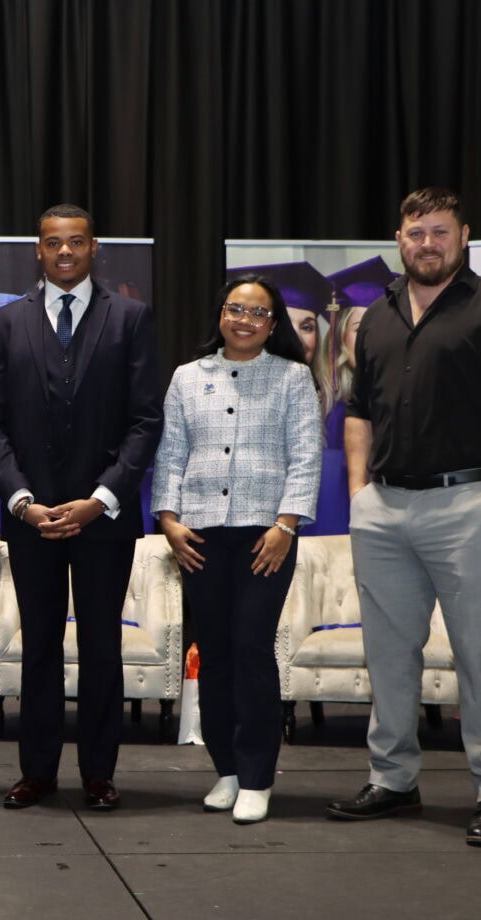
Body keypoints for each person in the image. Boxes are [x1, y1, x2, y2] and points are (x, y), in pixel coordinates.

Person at [327, 188, 481, 847]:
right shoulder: (375, 317)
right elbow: (359, 411)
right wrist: (360, 496)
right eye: (415, 232)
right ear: (398, 240)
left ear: (463, 237)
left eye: (440, 232)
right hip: (384, 509)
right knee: (389, 657)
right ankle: (394, 781)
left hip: (469, 505)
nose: (427, 243)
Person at [0, 203, 162, 812]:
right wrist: (24, 502)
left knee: (103, 646)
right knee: (40, 650)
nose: (63, 253)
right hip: (32, 520)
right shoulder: (7, 323)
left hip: (103, 521)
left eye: (75, 243)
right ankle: (36, 772)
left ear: (93, 248)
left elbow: (144, 421)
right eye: (53, 243)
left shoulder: (130, 317)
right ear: (38, 249)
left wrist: (100, 500)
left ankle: (99, 773)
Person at [151, 276, 321, 824]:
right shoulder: (186, 377)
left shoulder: (293, 378)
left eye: (258, 312)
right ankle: (225, 770)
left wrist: (286, 525)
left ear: (273, 325)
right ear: (220, 314)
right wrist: (169, 522)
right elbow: (171, 454)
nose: (244, 319)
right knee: (216, 654)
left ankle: (256, 777)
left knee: (251, 649)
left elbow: (306, 456)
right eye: (235, 309)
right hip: (198, 536)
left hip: (264, 537)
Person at [307, 256, 399, 536]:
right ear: (340, 336)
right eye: (360, 329)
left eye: (382, 327)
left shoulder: (403, 398)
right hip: (331, 525)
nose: (373, 337)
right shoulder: (324, 403)